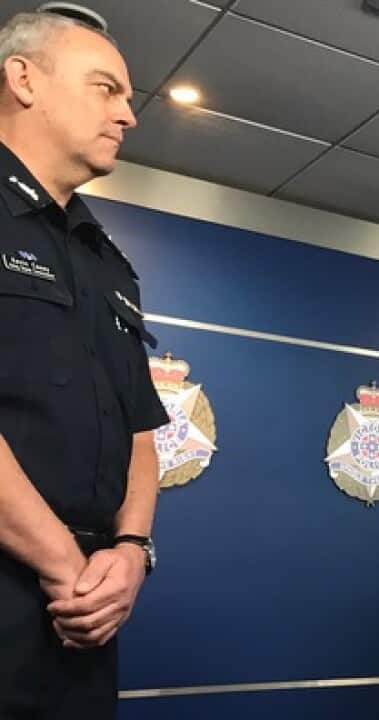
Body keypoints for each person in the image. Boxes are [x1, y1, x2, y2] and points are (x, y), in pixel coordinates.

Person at [0, 10, 167, 718]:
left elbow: (139, 431)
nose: (127, 115)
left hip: (85, 617)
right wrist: (68, 569)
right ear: (23, 78)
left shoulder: (110, 265)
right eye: (107, 89)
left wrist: (130, 552)